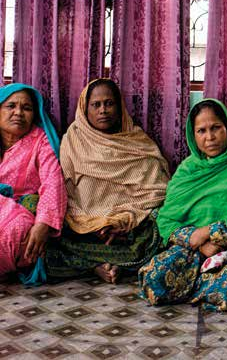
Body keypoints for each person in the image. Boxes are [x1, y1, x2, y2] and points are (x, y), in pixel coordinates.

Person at [138, 98, 227, 312]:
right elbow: (166, 218)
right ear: (193, 136)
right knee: (154, 279)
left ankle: (189, 289)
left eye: (216, 128)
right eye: (201, 131)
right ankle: (202, 290)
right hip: (194, 246)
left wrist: (209, 232)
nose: (210, 137)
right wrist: (200, 242)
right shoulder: (189, 169)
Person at [45, 78, 169, 284]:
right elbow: (64, 191)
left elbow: (158, 191)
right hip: (85, 226)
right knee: (49, 234)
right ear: (85, 109)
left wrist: (125, 220)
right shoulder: (72, 140)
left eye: (109, 103)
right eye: (96, 105)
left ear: (119, 107)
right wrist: (94, 224)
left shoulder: (138, 141)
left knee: (159, 227)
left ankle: (101, 264)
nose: (103, 110)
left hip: (130, 227)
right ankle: (102, 266)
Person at [0, 83, 66, 283]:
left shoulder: (40, 140)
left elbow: (53, 182)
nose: (18, 112)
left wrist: (43, 224)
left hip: (22, 212)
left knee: (17, 230)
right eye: (11, 106)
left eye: (26, 108)